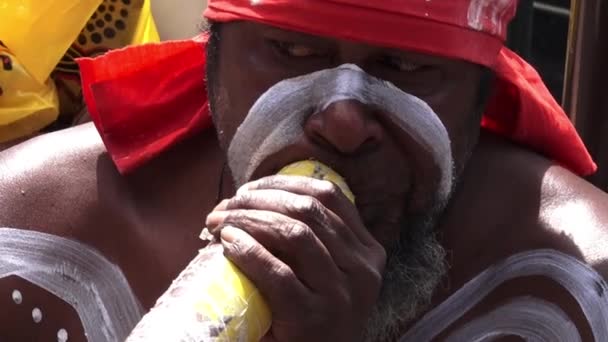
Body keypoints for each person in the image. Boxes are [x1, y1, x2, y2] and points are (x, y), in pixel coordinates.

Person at [1, 1, 607, 341]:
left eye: (403, 65)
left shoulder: (582, 286)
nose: (342, 122)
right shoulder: (25, 230)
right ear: (213, 58)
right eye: (292, 52)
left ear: (481, 96)